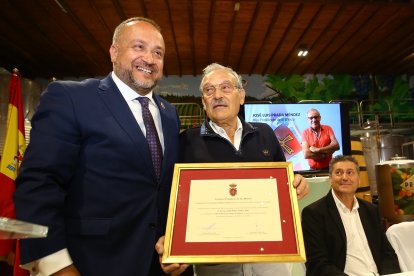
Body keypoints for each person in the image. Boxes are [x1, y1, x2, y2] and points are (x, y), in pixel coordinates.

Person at [13, 17, 181, 276]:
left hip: (158, 265)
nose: (149, 58)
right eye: (139, 47)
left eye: (158, 52)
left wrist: (174, 240)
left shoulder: (168, 114)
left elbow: (161, 189)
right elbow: (38, 185)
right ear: (114, 52)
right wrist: (55, 264)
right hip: (89, 263)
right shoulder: (70, 97)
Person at [156, 63, 309, 276]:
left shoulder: (264, 133)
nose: (217, 95)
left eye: (226, 87)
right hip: (215, 261)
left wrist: (297, 183)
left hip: (269, 257)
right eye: (209, 90)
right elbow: (172, 199)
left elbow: (284, 179)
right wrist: (171, 239)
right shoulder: (186, 142)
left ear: (242, 96)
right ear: (203, 101)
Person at [301, 155, 401, 276]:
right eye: (338, 173)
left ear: (358, 179)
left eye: (350, 172)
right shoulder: (314, 213)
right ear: (330, 179)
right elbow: (317, 264)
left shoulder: (371, 210)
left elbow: (387, 253)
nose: (344, 177)